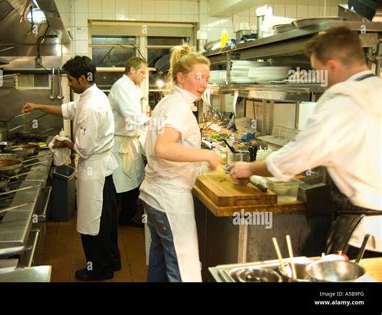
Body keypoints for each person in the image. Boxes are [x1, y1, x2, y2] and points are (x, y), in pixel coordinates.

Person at [228, 27, 382, 257]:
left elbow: (293, 159)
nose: (321, 83)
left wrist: (248, 168)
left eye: (319, 73)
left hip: (364, 239)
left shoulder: (343, 103)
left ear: (332, 66)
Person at [21, 56, 121, 281]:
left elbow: (83, 150)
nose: (68, 83)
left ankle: (99, 269)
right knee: (105, 220)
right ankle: (111, 262)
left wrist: (64, 142)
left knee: (92, 222)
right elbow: (67, 110)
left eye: (71, 80)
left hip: (95, 171)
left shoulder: (91, 106)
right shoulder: (91, 95)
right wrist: (38, 106)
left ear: (84, 78)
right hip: (103, 169)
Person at [139, 45, 222, 282]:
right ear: (180, 77)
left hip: (154, 196)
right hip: (170, 200)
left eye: (206, 78)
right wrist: (207, 156)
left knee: (160, 263)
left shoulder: (168, 102)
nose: (204, 83)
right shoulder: (178, 108)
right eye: (198, 77)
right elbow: (163, 147)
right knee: (182, 271)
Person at [108, 56, 149, 228]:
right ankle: (124, 218)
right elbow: (132, 117)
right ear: (131, 70)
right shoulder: (122, 86)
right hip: (121, 143)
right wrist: (155, 122)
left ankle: (127, 215)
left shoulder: (131, 87)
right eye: (142, 72)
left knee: (133, 182)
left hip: (129, 140)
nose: (144, 76)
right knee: (127, 183)